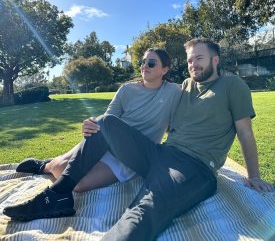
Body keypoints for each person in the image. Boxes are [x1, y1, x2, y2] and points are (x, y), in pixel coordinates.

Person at [4, 38, 273, 241]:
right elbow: (140, 103)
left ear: (215, 60)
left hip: (194, 166)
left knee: (144, 207)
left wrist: (254, 174)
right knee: (106, 123)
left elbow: (245, 132)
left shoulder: (232, 86)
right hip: (159, 153)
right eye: (190, 60)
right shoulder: (185, 87)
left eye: (199, 59)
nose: (193, 65)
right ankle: (59, 195)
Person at [15, 48, 182, 192]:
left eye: (151, 63)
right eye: (142, 61)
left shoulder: (174, 91)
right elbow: (109, 117)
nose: (144, 66)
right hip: (107, 142)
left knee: (78, 185)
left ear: (165, 69)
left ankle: (48, 165)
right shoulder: (127, 89)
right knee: (60, 168)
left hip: (134, 155)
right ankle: (45, 166)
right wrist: (91, 123)